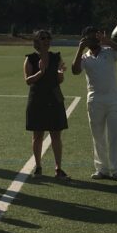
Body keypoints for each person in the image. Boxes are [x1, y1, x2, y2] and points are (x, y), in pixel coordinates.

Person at [71, 26, 117, 181]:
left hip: (113, 99)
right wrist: (80, 49)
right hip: (94, 100)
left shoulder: (109, 51)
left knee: (115, 135)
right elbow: (75, 70)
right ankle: (101, 169)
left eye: (96, 36)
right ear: (85, 39)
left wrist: (109, 42)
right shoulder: (85, 57)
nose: (94, 40)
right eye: (90, 37)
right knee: (97, 136)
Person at [24, 29, 69, 179]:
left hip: (54, 99)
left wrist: (61, 74)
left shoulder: (56, 57)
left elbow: (59, 80)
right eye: (43, 38)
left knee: (56, 135)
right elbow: (28, 80)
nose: (46, 40)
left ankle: (58, 169)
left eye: (48, 38)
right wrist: (40, 72)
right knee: (37, 135)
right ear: (36, 41)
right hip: (37, 100)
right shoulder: (30, 59)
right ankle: (38, 167)